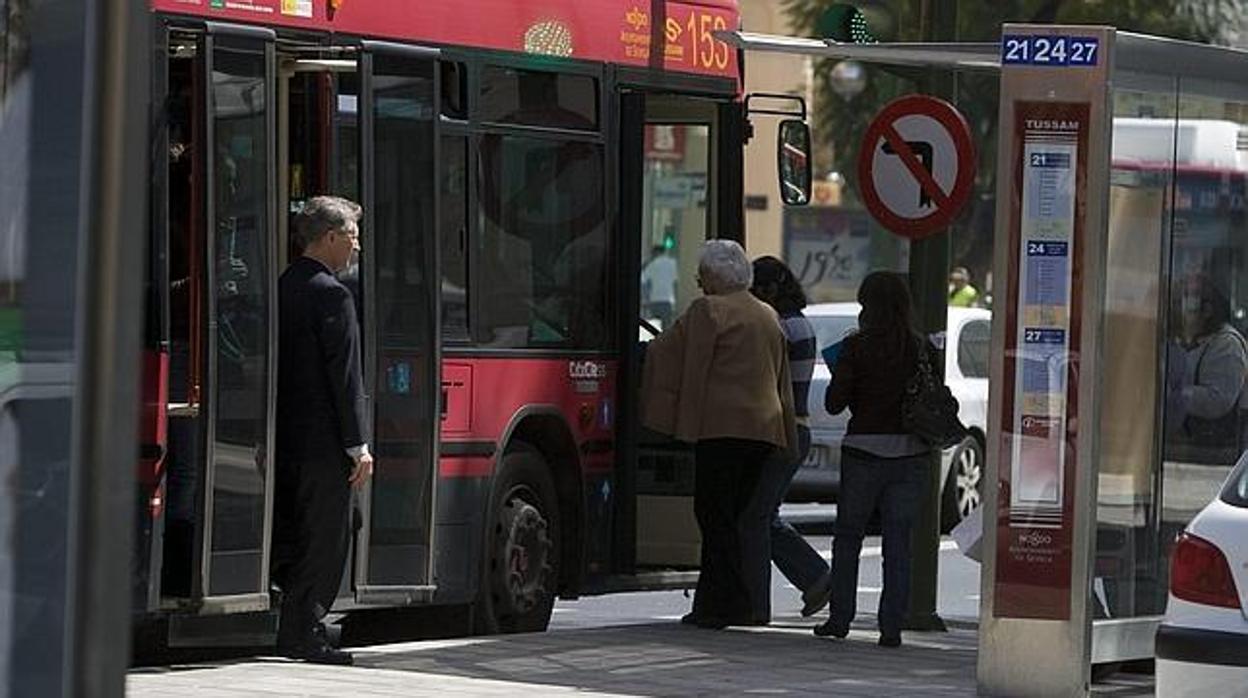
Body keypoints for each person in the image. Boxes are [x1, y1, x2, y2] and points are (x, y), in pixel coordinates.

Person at [640, 240, 797, 629]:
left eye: (701, 275)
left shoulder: (708, 310)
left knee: (713, 516)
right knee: (737, 516)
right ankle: (736, 600)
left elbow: (680, 360)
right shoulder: (766, 314)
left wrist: (682, 425)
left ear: (711, 276)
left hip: (719, 428)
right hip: (762, 429)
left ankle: (719, 604)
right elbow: (782, 379)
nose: (698, 281)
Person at [272, 195, 374, 665]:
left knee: (299, 532)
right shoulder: (333, 294)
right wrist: (358, 447)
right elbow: (345, 376)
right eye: (353, 237)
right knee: (328, 534)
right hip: (323, 443)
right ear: (330, 237)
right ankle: (305, 631)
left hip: (284, 439)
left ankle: (295, 623)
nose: (356, 248)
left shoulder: (284, 285)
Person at [817, 271, 931, 648]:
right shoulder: (921, 349)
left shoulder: (856, 348)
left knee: (848, 537)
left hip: (863, 452)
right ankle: (891, 626)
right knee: (898, 543)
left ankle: (839, 618)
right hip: (911, 454)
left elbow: (834, 404)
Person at [742, 256, 832, 621]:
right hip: (797, 427)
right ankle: (815, 578)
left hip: (783, 429)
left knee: (757, 517)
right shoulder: (800, 324)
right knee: (763, 515)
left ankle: (810, 579)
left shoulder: (782, 328)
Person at [1165, 274, 1248, 466]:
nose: (1179, 308)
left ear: (1208, 309)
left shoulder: (1226, 345)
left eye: (1187, 299)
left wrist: (1172, 395)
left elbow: (1217, 400)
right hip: (1176, 450)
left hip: (1213, 454)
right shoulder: (1179, 341)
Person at [641, 243, 678, 328]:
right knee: (667, 327)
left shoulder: (652, 264)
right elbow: (674, 282)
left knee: (654, 327)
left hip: (655, 300)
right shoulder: (672, 263)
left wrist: (645, 299)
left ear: (655, 253)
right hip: (668, 300)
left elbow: (643, 280)